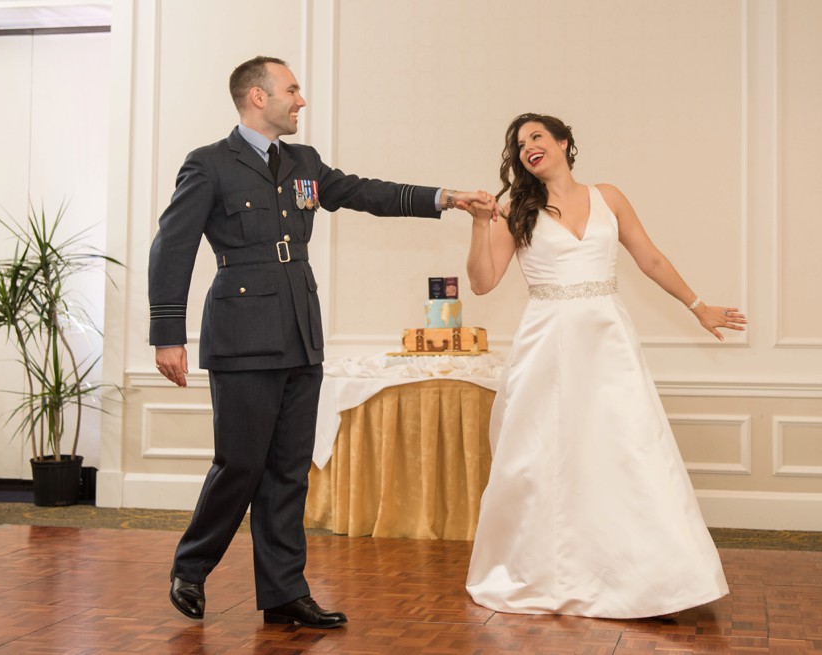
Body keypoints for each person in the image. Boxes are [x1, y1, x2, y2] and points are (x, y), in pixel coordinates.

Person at [149, 55, 492, 628]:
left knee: (288, 469)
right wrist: (167, 333)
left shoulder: (303, 163)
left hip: (300, 332)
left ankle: (284, 591)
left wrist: (446, 197)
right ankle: (191, 565)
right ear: (258, 97)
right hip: (241, 335)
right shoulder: (209, 164)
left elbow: (364, 191)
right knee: (240, 464)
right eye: (292, 89)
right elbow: (172, 247)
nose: (301, 100)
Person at [460, 113, 746, 619]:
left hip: (607, 342)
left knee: (627, 448)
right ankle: (547, 573)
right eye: (520, 143)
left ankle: (654, 578)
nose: (528, 147)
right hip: (546, 344)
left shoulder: (608, 197)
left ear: (564, 143)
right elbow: (483, 282)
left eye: (537, 137)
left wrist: (697, 305)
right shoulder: (515, 209)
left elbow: (650, 258)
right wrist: (482, 224)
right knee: (543, 456)